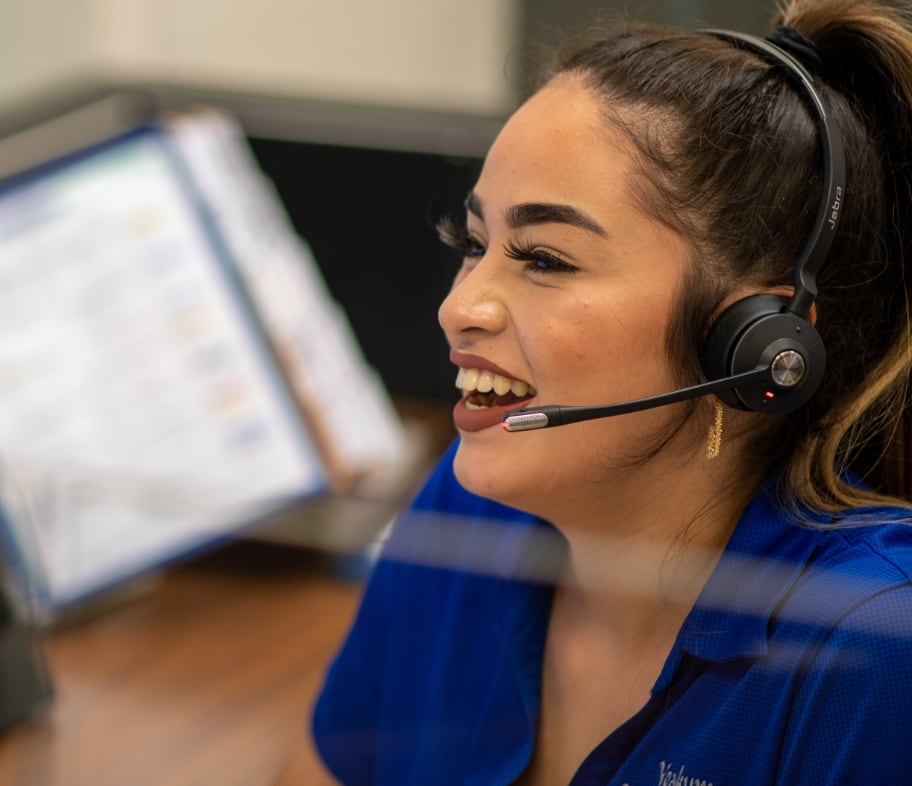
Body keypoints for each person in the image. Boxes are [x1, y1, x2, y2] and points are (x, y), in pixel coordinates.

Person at [273, 0, 912, 783]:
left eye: (544, 258)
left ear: (759, 345)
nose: (458, 307)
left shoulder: (874, 646)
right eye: (476, 245)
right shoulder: (468, 513)